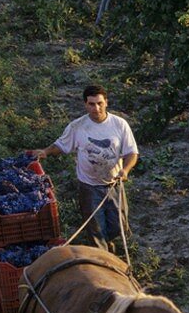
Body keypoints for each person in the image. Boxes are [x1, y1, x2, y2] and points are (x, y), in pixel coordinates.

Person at [31, 85, 138, 254]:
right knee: (95, 228)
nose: (96, 108)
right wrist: (45, 151)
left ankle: (108, 242)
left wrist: (125, 170)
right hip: (89, 186)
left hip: (114, 185)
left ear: (106, 103)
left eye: (99, 103)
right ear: (85, 105)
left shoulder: (119, 124)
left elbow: (132, 153)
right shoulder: (78, 126)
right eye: (91, 104)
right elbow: (61, 145)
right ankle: (103, 256)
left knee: (119, 225)